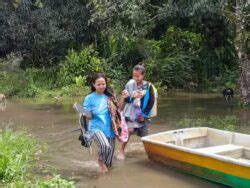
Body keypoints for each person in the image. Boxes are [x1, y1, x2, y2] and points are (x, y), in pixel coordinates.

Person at [118, 64, 157, 159]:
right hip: (132, 114)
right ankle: (121, 151)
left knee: (145, 136)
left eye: (138, 76)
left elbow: (151, 101)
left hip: (143, 114)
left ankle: (150, 153)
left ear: (143, 75)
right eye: (133, 76)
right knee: (129, 130)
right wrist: (129, 97)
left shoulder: (148, 86)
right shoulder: (130, 84)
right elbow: (127, 100)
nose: (135, 78)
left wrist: (144, 114)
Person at [83, 73, 116, 173]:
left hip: (110, 129)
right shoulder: (89, 98)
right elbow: (86, 114)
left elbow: (117, 111)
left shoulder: (110, 96)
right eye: (99, 84)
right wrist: (84, 112)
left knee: (109, 163)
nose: (101, 86)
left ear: (106, 83)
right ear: (94, 85)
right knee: (105, 146)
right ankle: (100, 161)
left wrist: (123, 97)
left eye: (103, 84)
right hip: (95, 128)